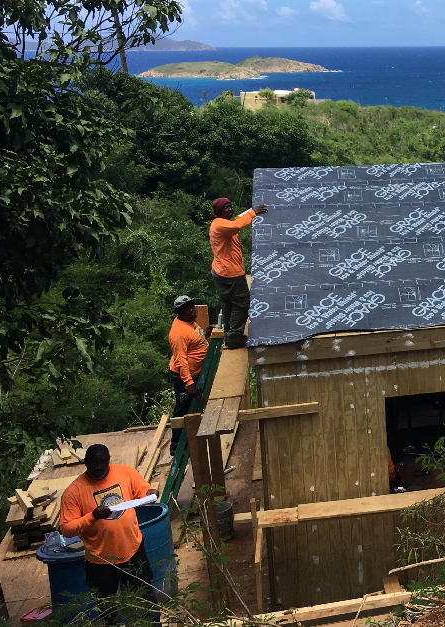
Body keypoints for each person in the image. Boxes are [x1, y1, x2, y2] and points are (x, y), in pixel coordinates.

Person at [59, 444, 159, 620]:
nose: (97, 467)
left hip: (133, 551)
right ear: (85, 463)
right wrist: (92, 517)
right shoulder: (73, 492)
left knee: (145, 602)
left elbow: (141, 489)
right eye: (93, 464)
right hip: (101, 561)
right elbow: (66, 529)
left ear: (109, 461)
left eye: (102, 463)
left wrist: (149, 493)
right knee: (107, 610)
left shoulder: (125, 472)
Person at [210, 197, 267, 349]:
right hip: (230, 273)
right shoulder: (221, 225)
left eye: (230, 206)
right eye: (226, 208)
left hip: (221, 271)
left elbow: (238, 218)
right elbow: (238, 224)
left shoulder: (221, 223)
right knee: (241, 303)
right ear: (219, 212)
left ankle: (230, 336)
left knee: (228, 304)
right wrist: (253, 213)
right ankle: (234, 338)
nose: (230, 209)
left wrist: (250, 211)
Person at [167, 296, 212, 455]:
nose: (192, 310)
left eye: (192, 306)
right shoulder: (178, 333)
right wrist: (188, 383)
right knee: (182, 408)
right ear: (180, 312)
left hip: (195, 373)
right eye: (187, 309)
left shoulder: (190, 322)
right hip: (185, 377)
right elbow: (181, 360)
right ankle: (175, 446)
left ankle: (190, 438)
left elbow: (194, 344)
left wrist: (206, 335)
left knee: (191, 408)